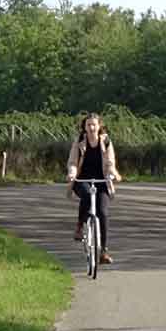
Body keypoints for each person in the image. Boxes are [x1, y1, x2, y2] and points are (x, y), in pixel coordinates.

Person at [66, 112, 121, 263]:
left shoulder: (106, 142)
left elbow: (110, 162)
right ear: (84, 127)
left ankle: (103, 251)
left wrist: (111, 173)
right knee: (87, 195)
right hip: (81, 179)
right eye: (88, 124)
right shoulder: (79, 142)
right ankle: (79, 226)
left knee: (103, 212)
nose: (91, 127)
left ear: (99, 126)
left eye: (94, 124)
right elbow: (72, 162)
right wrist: (71, 173)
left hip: (101, 181)